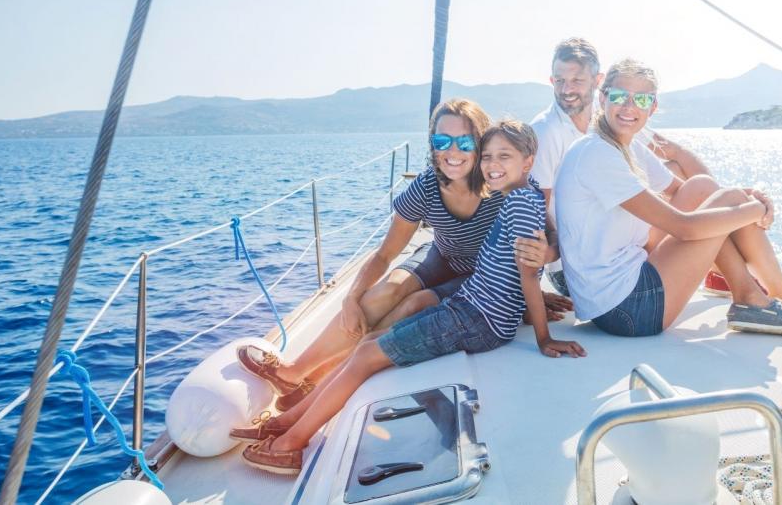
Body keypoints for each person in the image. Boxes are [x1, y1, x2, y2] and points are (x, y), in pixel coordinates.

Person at [236, 120, 586, 474]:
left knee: (368, 355)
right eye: (488, 156)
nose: (493, 165)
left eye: (504, 157)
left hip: (480, 321)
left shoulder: (521, 203)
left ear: (528, 161)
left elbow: (528, 273)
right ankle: (288, 421)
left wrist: (544, 338)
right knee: (369, 343)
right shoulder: (523, 193)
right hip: (468, 305)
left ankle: (289, 446)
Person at [527, 40, 782, 330]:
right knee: (727, 201)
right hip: (627, 310)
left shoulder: (619, 142)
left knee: (706, 188)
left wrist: (743, 198)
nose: (629, 106)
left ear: (652, 107)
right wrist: (757, 208)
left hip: (620, 286)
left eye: (641, 100)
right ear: (602, 99)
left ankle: (759, 294)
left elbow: (698, 192)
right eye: (619, 96)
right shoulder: (597, 152)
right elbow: (684, 227)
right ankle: (762, 296)